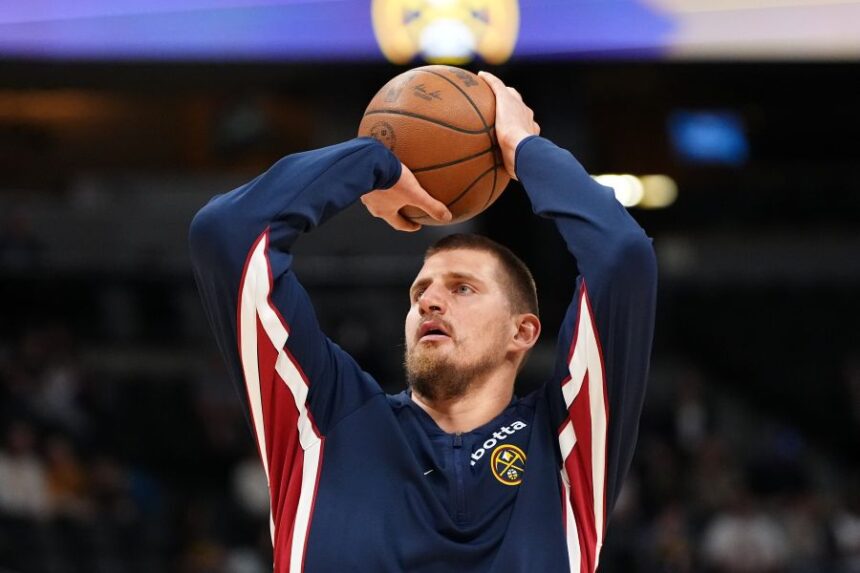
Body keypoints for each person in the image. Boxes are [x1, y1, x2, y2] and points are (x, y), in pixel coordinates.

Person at [189, 71, 657, 572]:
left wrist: (524, 149)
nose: (430, 302)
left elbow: (622, 256)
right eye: (419, 292)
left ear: (521, 332)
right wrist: (374, 161)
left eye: (462, 288)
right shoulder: (323, 420)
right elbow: (226, 234)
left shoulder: (567, 443)